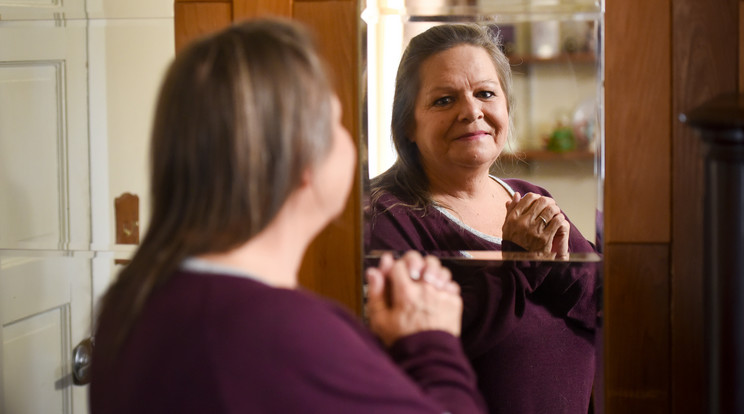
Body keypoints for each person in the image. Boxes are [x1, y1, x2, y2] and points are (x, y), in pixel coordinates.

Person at [90, 19, 487, 414]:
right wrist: (431, 343)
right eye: (335, 122)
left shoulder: (130, 302)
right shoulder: (283, 332)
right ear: (302, 158)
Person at [365, 23, 600, 413]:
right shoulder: (388, 218)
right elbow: (423, 351)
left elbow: (600, 302)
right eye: (444, 100)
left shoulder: (529, 196)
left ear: (506, 106)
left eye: (485, 93)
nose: (471, 111)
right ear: (407, 123)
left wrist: (554, 266)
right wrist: (521, 264)